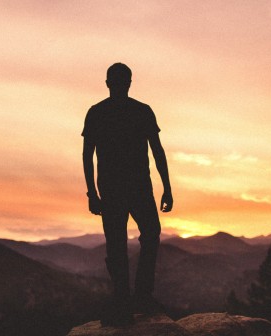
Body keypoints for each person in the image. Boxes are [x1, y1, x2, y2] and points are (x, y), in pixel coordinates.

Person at [82, 63, 173, 326]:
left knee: (134, 239)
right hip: (122, 189)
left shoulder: (118, 112)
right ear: (110, 83)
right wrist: (92, 193)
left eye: (123, 81)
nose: (121, 85)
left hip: (129, 189)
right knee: (124, 243)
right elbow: (88, 155)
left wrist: (167, 187)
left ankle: (136, 298)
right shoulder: (105, 113)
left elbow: (157, 150)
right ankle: (131, 299)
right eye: (119, 81)